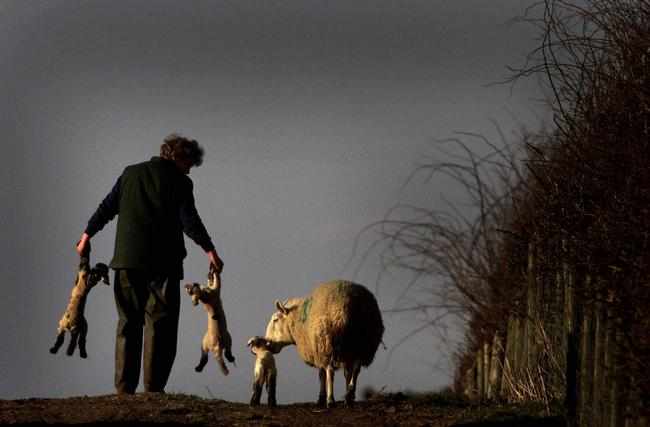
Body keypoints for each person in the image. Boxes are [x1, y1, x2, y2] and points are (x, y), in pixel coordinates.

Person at [76, 134, 224, 395]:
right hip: (163, 265)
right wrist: (210, 251)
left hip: (125, 262)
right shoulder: (180, 182)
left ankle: (124, 390)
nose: (191, 169)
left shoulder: (130, 174)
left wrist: (86, 236)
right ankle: (153, 391)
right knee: (160, 325)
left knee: (127, 323)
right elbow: (189, 221)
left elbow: (106, 208)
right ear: (178, 157)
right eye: (189, 163)